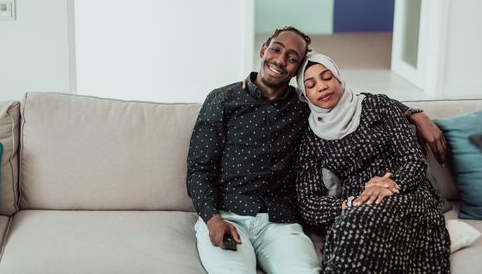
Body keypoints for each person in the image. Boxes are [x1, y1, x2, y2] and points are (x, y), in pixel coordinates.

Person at [186, 26, 447, 274]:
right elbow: (199, 169)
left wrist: (414, 114)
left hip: (280, 222)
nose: (279, 60)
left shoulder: (304, 109)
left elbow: (354, 101)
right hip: (228, 214)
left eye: (291, 58)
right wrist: (212, 219)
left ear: (295, 70)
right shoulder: (223, 100)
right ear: (264, 49)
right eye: (276, 49)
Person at [295, 53, 450, 273]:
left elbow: (413, 160)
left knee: (352, 227)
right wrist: (350, 204)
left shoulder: (378, 106)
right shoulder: (311, 138)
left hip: (407, 194)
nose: (321, 87)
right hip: (356, 207)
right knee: (350, 225)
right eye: (311, 85)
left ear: (339, 78)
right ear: (305, 94)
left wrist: (388, 185)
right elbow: (308, 202)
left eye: (327, 77)